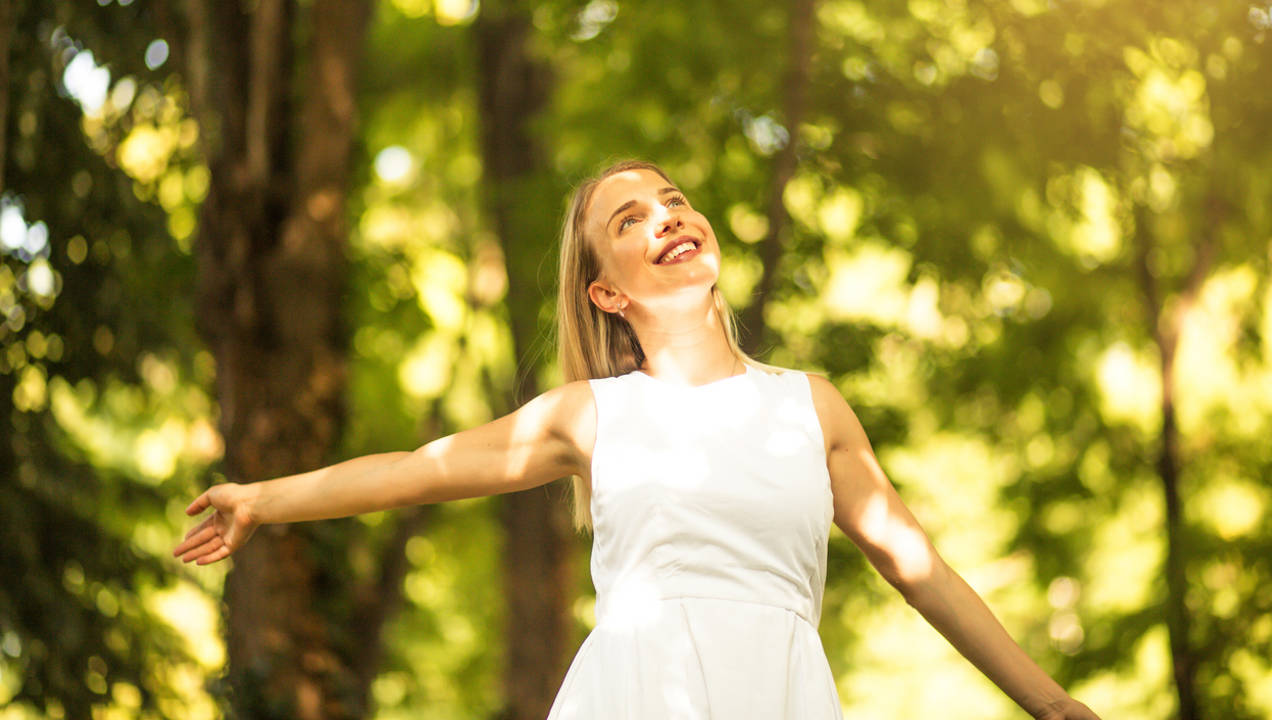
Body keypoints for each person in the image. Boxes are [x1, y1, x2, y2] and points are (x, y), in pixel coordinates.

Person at [174, 160, 1101, 719]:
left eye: (673, 201)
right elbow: (422, 469)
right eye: (631, 220)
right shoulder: (594, 414)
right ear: (607, 293)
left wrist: (1049, 701)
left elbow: (918, 565)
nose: (667, 217)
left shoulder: (811, 408)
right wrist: (263, 497)